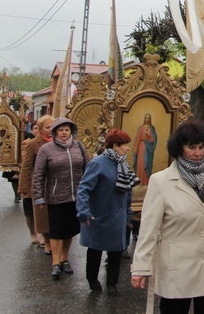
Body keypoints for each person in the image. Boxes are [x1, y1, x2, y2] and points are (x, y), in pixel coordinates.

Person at [131, 120, 204, 314]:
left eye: (201, 147)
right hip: (177, 269)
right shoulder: (161, 181)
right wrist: (141, 267)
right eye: (192, 148)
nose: (197, 153)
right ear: (179, 148)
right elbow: (149, 228)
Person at [77, 129, 138, 296]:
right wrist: (83, 212)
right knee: (95, 250)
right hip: (99, 214)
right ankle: (92, 280)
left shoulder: (122, 164)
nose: (127, 148)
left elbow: (127, 190)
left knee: (116, 251)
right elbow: (83, 189)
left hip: (118, 217)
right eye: (125, 145)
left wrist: (128, 212)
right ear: (115, 146)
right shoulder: (98, 163)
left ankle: (112, 283)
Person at [32, 117, 91, 280]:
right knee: (56, 232)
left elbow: (89, 168)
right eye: (61, 130)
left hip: (76, 196)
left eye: (67, 130)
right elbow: (38, 175)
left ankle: (65, 258)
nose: (64, 133)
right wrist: (39, 197)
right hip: (56, 196)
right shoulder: (46, 149)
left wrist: (90, 192)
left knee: (69, 231)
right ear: (55, 132)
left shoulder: (79, 146)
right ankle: (55, 262)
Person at [19, 116, 53, 252]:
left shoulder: (59, 142)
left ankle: (51, 239)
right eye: (47, 127)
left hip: (55, 184)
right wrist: (23, 187)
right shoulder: (33, 144)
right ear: (40, 130)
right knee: (37, 213)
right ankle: (38, 235)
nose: (51, 130)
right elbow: (26, 166)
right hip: (38, 183)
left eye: (52, 127)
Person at [133, 113, 157, 186]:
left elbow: (155, 139)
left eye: (148, 118)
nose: (147, 119)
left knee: (148, 164)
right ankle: (140, 181)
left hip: (149, 148)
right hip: (141, 147)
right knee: (141, 164)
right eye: (146, 118)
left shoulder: (152, 128)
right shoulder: (141, 128)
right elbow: (138, 138)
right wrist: (136, 148)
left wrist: (149, 135)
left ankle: (146, 182)